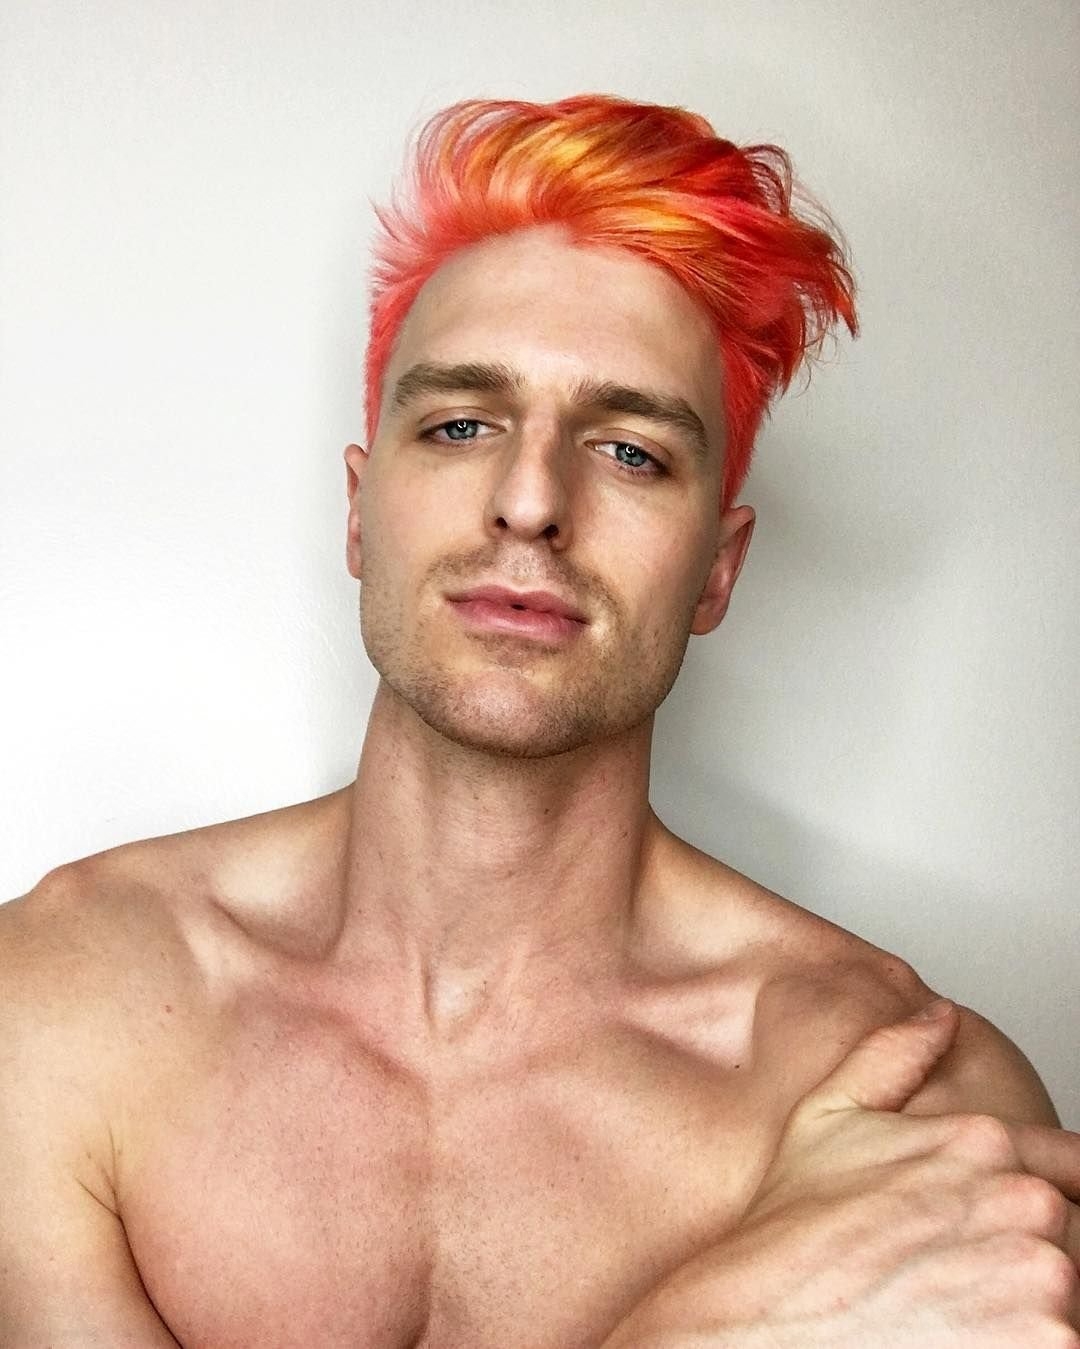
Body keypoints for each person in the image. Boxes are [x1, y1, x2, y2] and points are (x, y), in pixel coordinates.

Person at [1, 93, 1077, 1348]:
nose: (529, 499)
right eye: (461, 425)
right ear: (359, 513)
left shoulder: (920, 1110)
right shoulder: (60, 1006)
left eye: (631, 452)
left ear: (718, 569)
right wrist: (701, 1326)